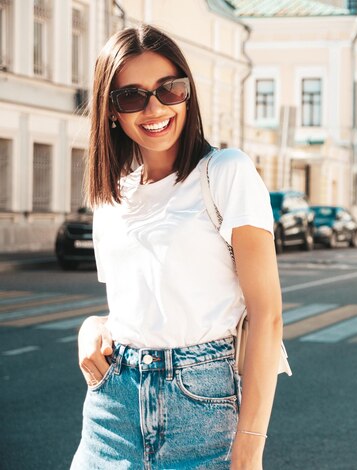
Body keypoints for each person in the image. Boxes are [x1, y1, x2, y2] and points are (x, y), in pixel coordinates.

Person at [71, 24, 284, 470]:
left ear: (187, 93)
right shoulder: (113, 198)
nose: (154, 108)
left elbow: (268, 315)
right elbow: (145, 304)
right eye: (132, 96)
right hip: (111, 412)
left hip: (203, 409)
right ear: (112, 111)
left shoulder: (226, 173)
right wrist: (94, 324)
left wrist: (248, 450)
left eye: (169, 89)